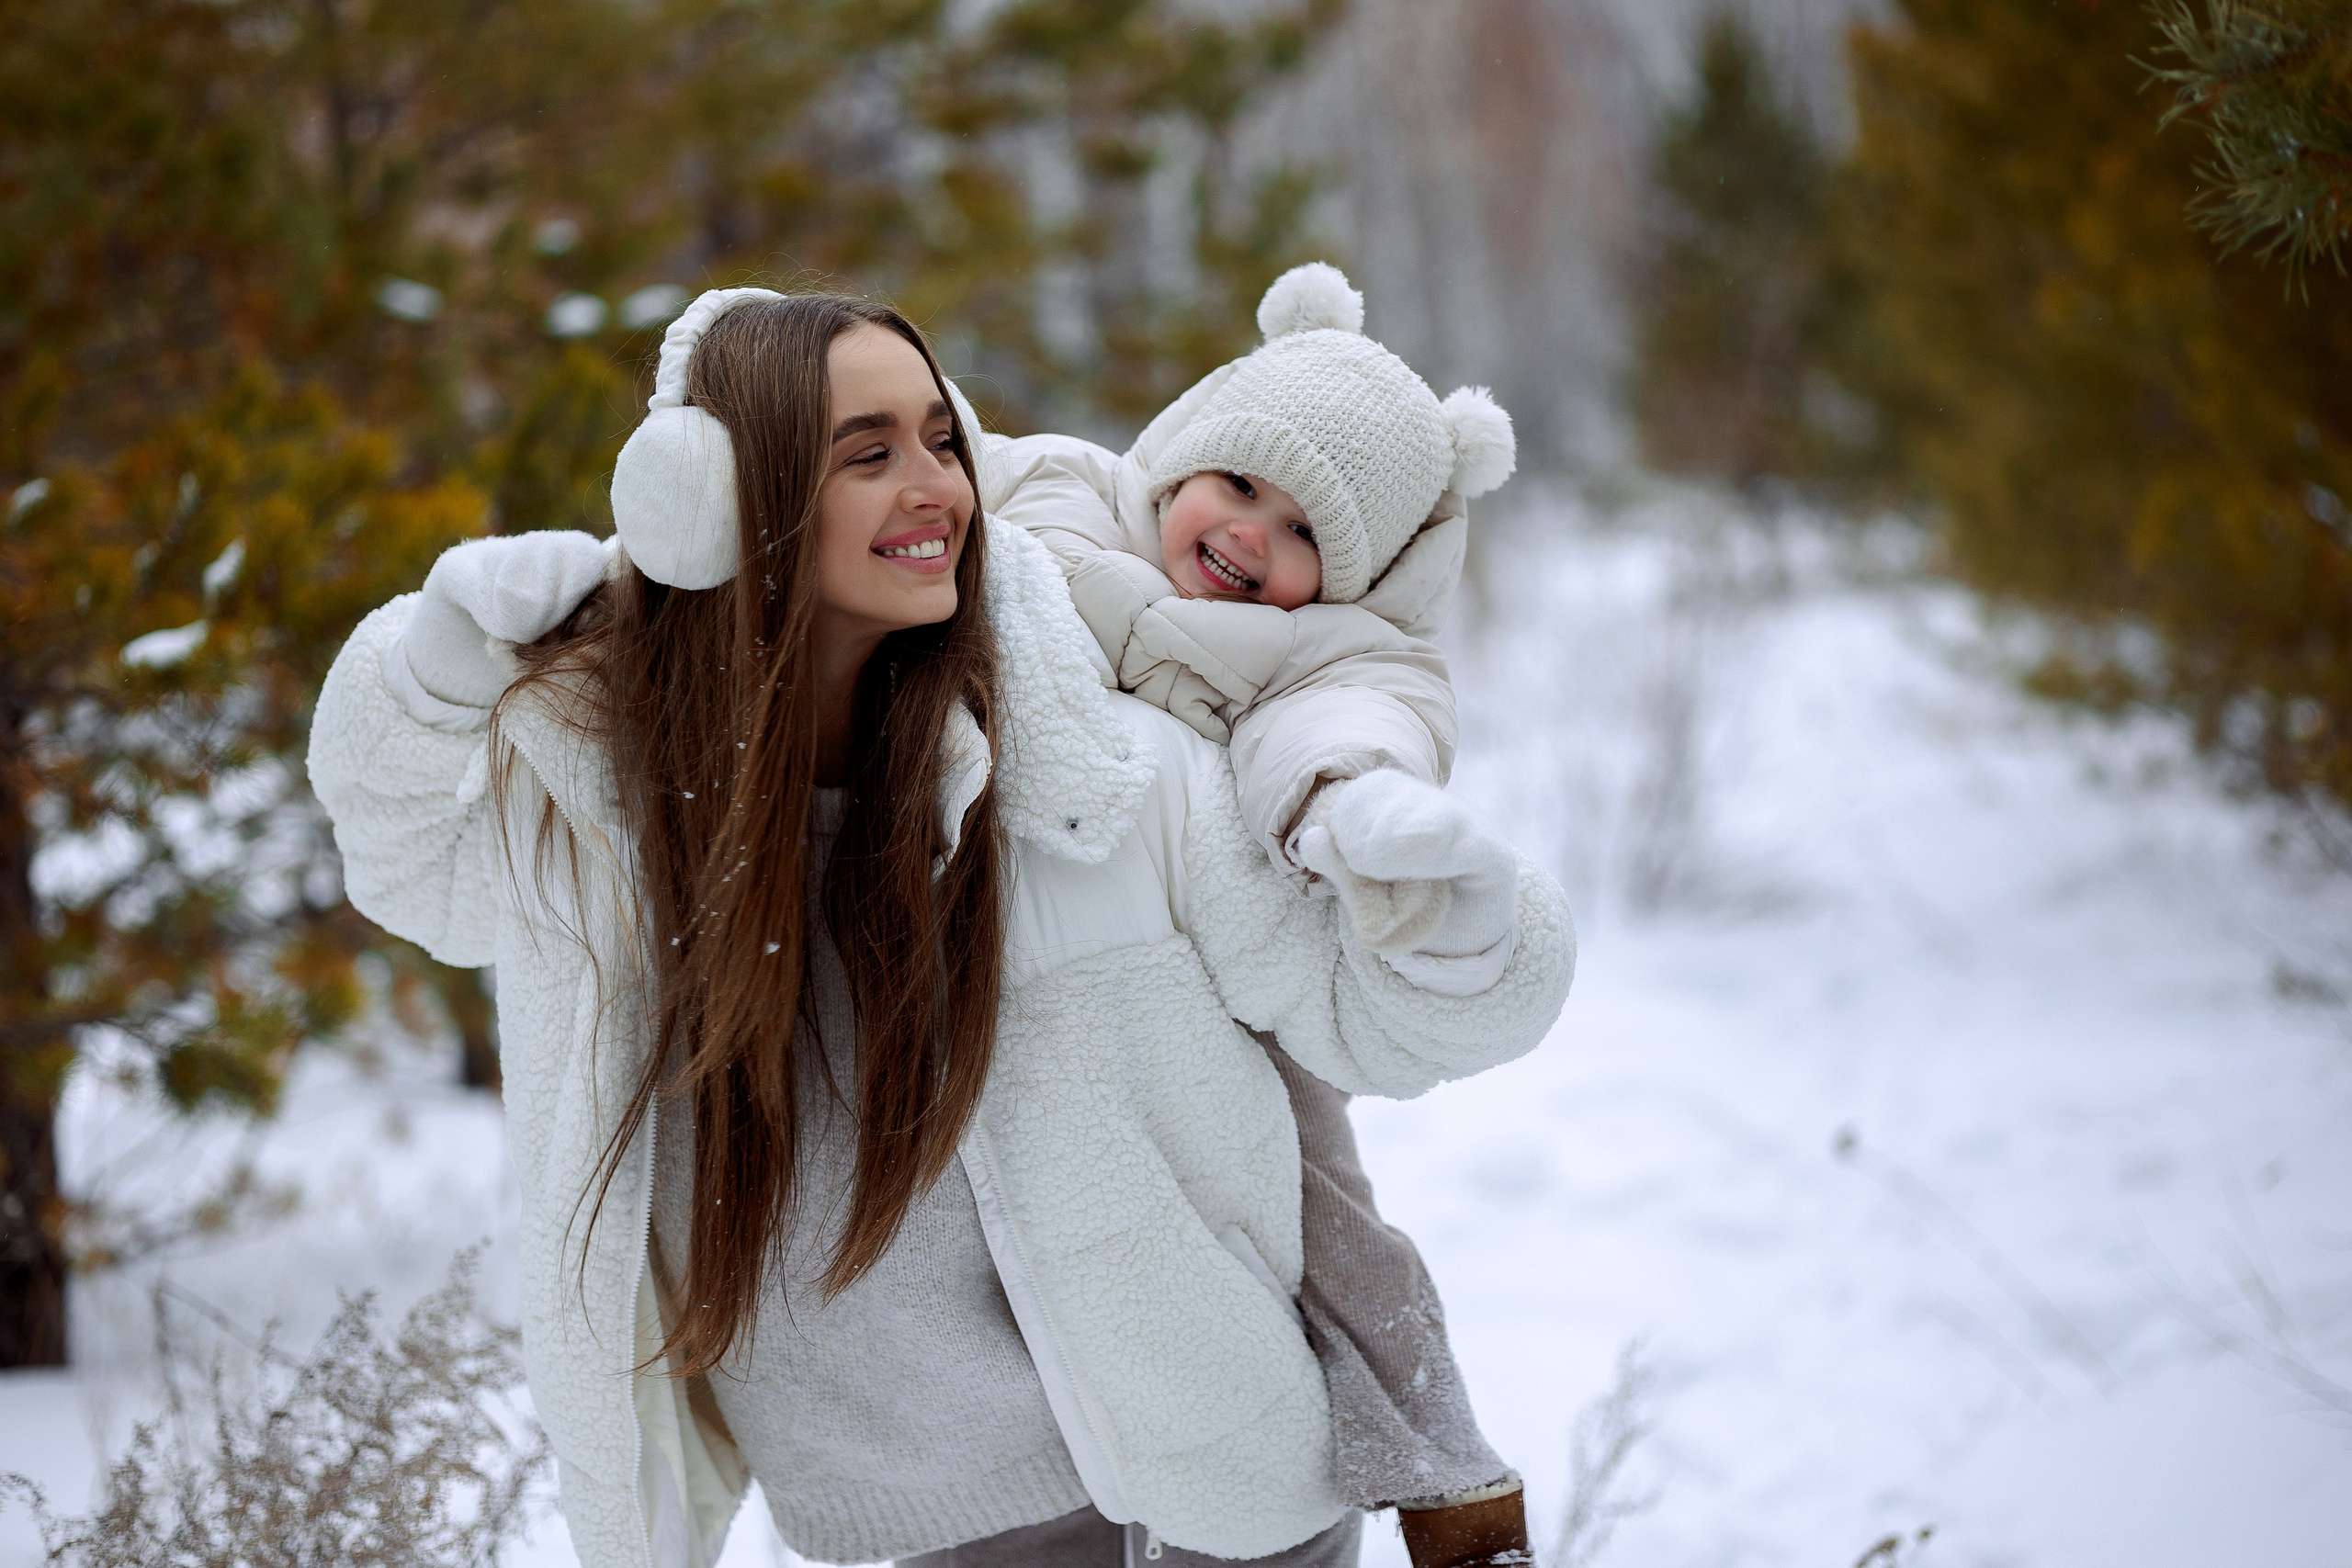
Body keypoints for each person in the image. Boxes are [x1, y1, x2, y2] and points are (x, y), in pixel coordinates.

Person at [306, 286, 1575, 1568]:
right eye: (868, 453)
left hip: (1202, 1494)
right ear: (718, 497)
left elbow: (1368, 1021)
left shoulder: (1109, 774)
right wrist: (428, 674)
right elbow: (414, 872)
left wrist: (1460, 928)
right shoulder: (617, 814)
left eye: (943, 439)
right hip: (914, 1520)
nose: (939, 489)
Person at [964, 263, 1537, 1564]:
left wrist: (1355, 806)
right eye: (1239, 483)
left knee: (1322, 1211)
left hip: (1226, 980)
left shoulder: (1324, 650)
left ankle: (1444, 1472)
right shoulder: (1059, 488)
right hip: (1027, 943)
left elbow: (1353, 721)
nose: (1250, 537)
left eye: (1305, 534)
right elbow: (922, 482)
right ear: (1188, 445)